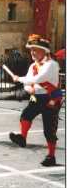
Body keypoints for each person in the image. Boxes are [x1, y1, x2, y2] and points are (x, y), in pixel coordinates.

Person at [9, 34, 63, 167]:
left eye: (35, 49)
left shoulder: (52, 65)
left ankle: (51, 156)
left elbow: (37, 79)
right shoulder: (33, 66)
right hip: (37, 97)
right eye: (31, 49)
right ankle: (22, 138)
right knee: (26, 116)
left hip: (51, 98)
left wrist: (18, 78)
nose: (32, 52)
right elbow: (28, 84)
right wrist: (28, 89)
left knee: (49, 129)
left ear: (44, 51)